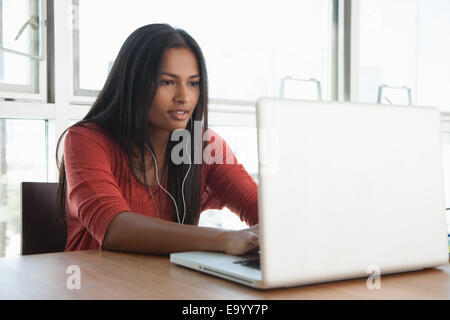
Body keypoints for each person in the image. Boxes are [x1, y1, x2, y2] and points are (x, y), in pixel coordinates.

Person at [56, 24, 259, 256]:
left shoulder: (202, 146)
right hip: (96, 287)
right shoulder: (86, 140)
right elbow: (114, 228)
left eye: (193, 83)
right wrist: (225, 239)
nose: (184, 97)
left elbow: (264, 212)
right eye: (167, 82)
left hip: (166, 286)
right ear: (133, 83)